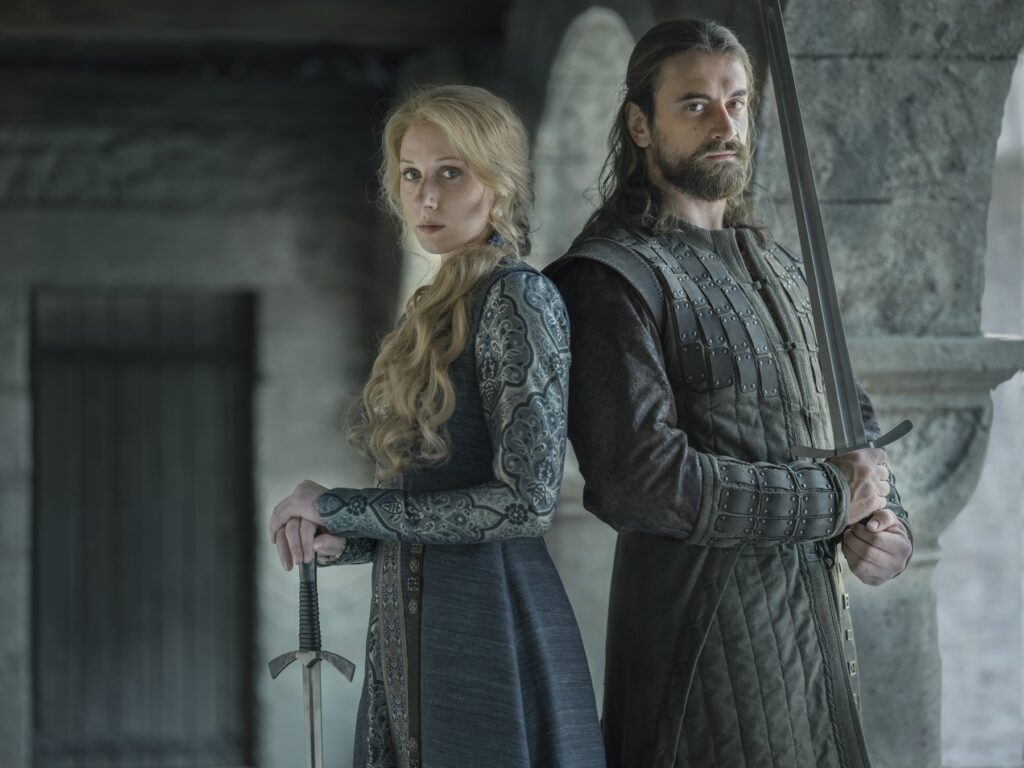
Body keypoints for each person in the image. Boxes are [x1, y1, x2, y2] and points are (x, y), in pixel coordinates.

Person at [543, 19, 913, 768]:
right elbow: (639, 483)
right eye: (696, 105)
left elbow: (854, 428)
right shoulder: (610, 277)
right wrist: (828, 500)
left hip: (816, 652)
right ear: (640, 125)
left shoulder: (781, 267)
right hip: (699, 657)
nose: (725, 125)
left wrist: (886, 528)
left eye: (737, 102)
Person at [267, 84, 605, 768]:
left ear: (498, 181)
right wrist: (348, 538)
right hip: (415, 628)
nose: (426, 197)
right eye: (412, 175)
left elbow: (525, 503)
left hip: (491, 626)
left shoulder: (517, 297)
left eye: (451, 173)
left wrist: (341, 506)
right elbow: (429, 504)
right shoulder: (434, 306)